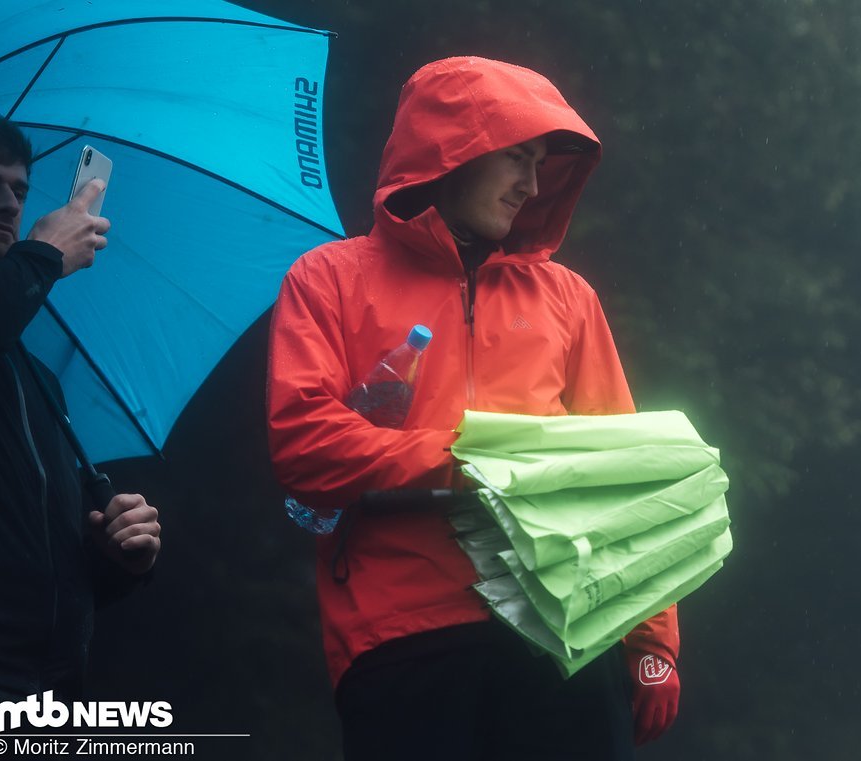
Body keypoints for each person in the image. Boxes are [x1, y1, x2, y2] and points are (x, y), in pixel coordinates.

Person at [267, 57, 680, 759]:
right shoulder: (328, 278)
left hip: (566, 633)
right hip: (401, 639)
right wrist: (467, 459)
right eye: (516, 157)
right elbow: (303, 442)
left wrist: (653, 639)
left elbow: (626, 476)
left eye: (542, 163)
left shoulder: (567, 297)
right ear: (449, 151)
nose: (533, 184)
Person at [0, 110, 162, 728]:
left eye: (21, 189)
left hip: (45, 705)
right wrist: (42, 257)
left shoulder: (34, 372)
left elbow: (39, 560)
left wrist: (115, 555)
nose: (9, 203)